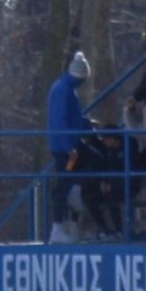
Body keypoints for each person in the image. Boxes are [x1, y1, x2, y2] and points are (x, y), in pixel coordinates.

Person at [46, 51, 89, 231]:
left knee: (66, 181)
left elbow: (70, 118)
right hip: (65, 149)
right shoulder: (65, 90)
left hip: (66, 145)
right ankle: (58, 222)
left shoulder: (64, 88)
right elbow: (60, 121)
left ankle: (66, 218)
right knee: (64, 182)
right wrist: (69, 147)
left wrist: (85, 124)